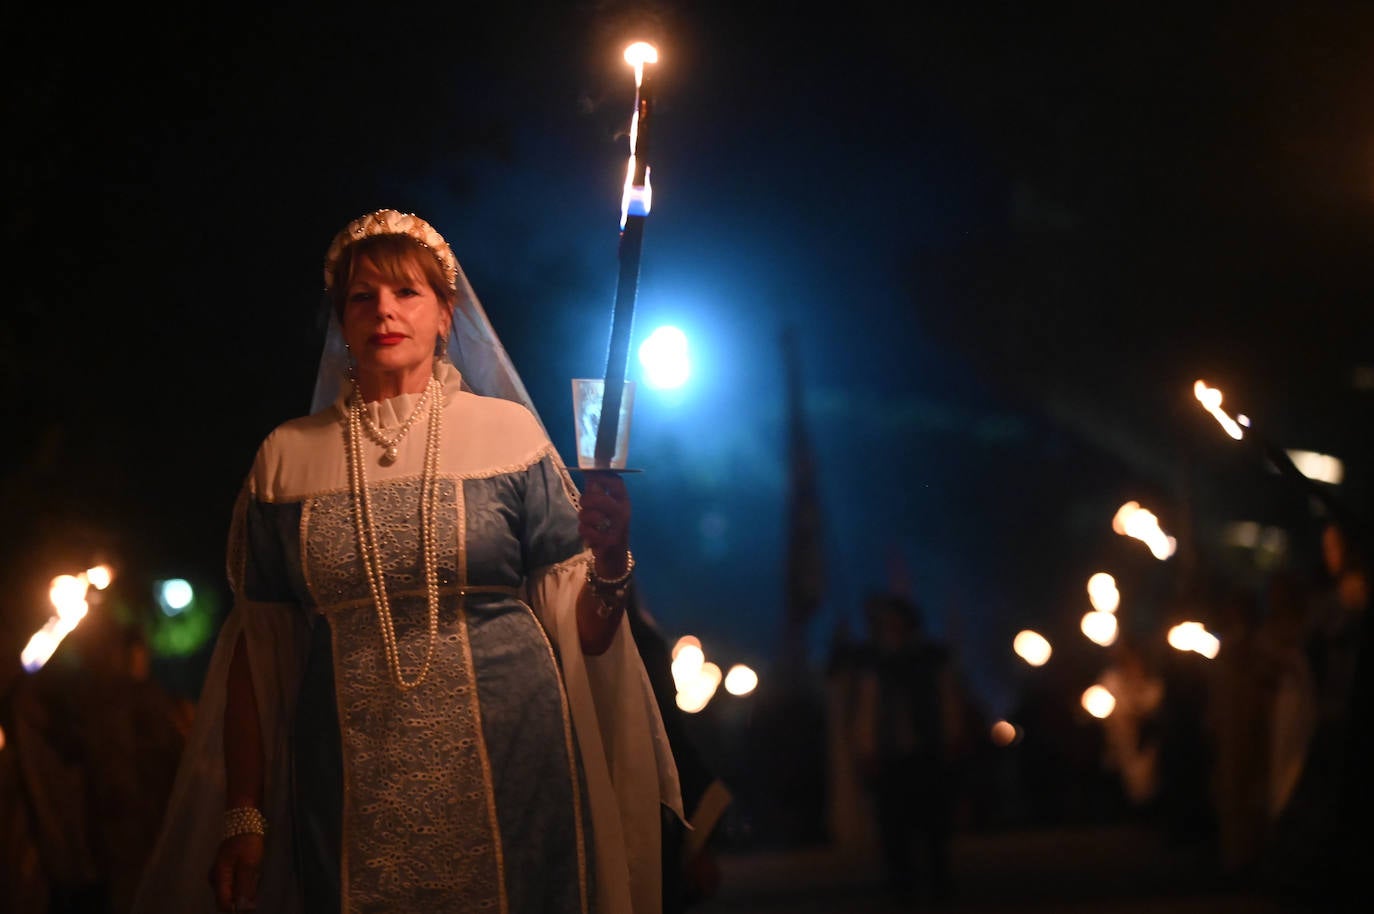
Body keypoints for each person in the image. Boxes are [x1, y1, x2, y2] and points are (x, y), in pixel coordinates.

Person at [132, 209, 682, 914]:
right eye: (363, 296)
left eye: (406, 293)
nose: (384, 311)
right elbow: (258, 654)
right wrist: (245, 815)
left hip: (516, 771)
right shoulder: (287, 459)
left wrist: (608, 563)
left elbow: (585, 637)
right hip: (348, 783)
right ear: (341, 320)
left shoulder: (508, 436)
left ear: (446, 315)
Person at [853, 592, 961, 906]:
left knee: (933, 830)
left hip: (926, 754)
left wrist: (951, 739)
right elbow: (867, 712)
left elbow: (948, 702)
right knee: (894, 832)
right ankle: (903, 893)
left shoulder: (930, 660)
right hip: (891, 760)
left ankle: (939, 890)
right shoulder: (876, 664)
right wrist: (867, 750)